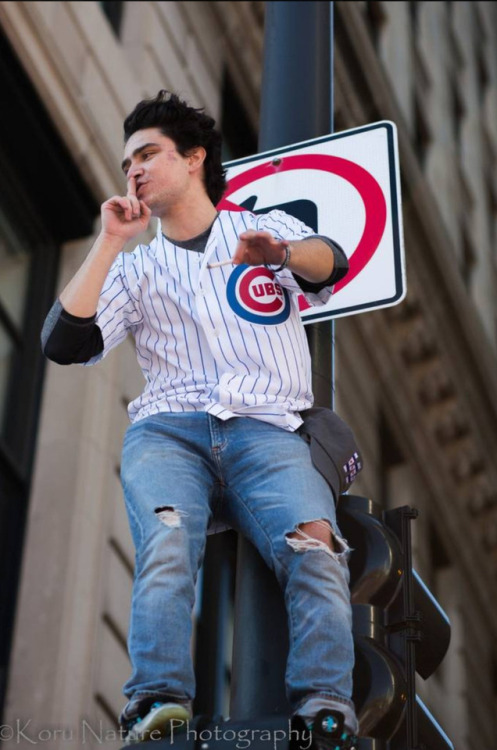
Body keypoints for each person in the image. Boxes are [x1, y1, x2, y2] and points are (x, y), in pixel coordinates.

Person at [41, 90, 360, 748]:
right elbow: (62, 342)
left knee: (317, 549)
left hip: (266, 433)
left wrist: (278, 255)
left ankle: (324, 707)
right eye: (126, 160)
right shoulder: (136, 269)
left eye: (149, 154)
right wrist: (108, 241)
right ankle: (157, 704)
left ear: (193, 160)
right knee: (165, 546)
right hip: (169, 435)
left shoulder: (262, 228)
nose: (133, 169)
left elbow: (335, 260)